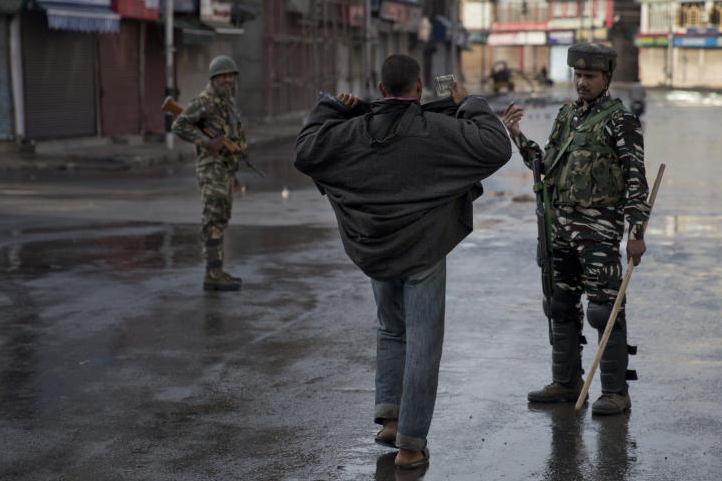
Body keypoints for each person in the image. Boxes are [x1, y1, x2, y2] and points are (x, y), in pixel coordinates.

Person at [293, 54, 511, 469]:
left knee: (392, 330)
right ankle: (411, 445)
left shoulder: (354, 131)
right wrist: (468, 102)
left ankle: (390, 419)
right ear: (419, 88)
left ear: (379, 91)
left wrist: (333, 106)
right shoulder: (437, 130)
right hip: (423, 250)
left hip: (376, 247)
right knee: (423, 343)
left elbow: (305, 150)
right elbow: (496, 146)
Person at [501, 42, 650, 416]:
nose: (581, 82)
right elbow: (545, 166)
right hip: (559, 227)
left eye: (590, 76)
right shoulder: (567, 116)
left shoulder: (621, 121)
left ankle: (615, 392)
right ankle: (566, 382)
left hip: (598, 229)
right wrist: (517, 135)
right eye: (578, 75)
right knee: (559, 304)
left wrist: (636, 234)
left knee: (604, 309)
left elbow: (636, 181)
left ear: (606, 78)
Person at [171, 55, 247, 292]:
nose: (227, 80)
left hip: (224, 170)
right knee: (212, 220)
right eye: (222, 76)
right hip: (211, 170)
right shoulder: (205, 101)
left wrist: (233, 172)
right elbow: (179, 125)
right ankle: (212, 275)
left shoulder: (227, 103)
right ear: (213, 79)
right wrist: (206, 142)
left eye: (230, 75)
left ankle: (217, 271)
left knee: (221, 220)